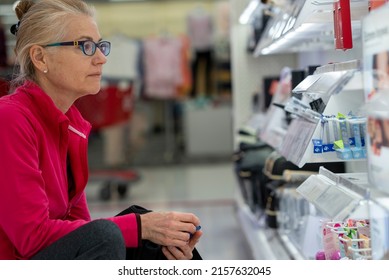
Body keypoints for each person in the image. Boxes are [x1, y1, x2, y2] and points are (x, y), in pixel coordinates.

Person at [0, 0, 202, 260]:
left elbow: (78, 224)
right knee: (115, 232)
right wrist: (140, 228)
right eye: (85, 46)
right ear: (40, 57)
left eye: (99, 45)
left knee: (155, 239)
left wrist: (159, 238)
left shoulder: (70, 122)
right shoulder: (10, 118)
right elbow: (32, 237)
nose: (101, 58)